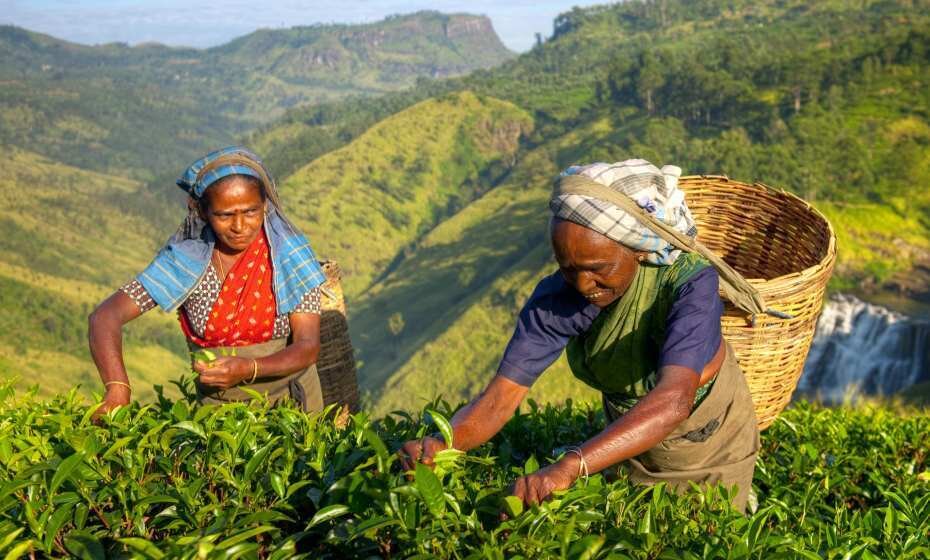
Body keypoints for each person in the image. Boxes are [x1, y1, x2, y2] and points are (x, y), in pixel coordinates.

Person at [400, 159, 760, 512]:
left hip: (710, 435)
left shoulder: (689, 284)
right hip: (630, 434)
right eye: (568, 269)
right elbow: (500, 399)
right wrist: (443, 443)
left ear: (636, 247)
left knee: (707, 526)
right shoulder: (558, 299)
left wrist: (571, 465)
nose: (584, 284)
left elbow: (674, 400)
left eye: (597, 269)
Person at [88, 146, 328, 417]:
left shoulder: (289, 256)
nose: (239, 226)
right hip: (219, 414)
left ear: (265, 206)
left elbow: (308, 347)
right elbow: (105, 317)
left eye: (250, 212)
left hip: (292, 405)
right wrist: (118, 389)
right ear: (202, 212)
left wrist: (250, 368)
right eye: (224, 215)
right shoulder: (186, 262)